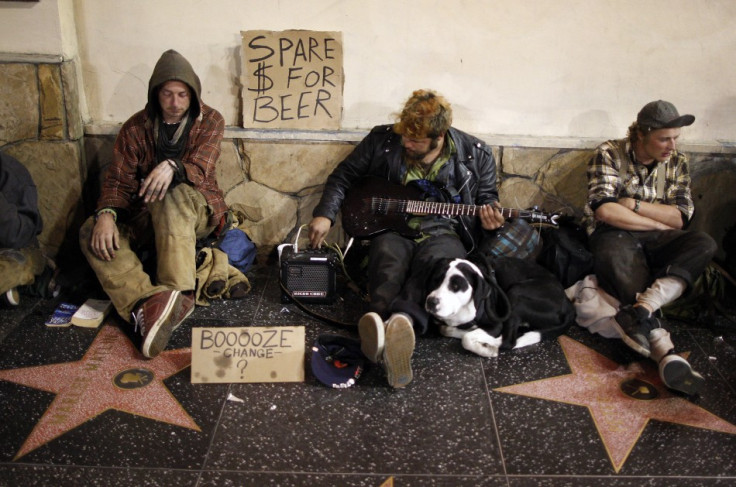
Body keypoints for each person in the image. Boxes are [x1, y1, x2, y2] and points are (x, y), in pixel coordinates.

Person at [309, 89, 509, 388]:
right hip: (389, 226)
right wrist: (325, 213)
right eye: (405, 135)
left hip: (444, 228)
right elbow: (344, 176)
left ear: (439, 136)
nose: (406, 142)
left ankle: (391, 325)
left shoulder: (475, 153)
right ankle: (389, 324)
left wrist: (492, 223)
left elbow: (486, 199)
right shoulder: (382, 140)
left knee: (438, 266)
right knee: (388, 259)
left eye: (415, 140)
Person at [79, 49, 228, 358]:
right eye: (167, 94)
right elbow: (119, 182)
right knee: (91, 229)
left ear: (193, 96)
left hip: (196, 207)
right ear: (155, 95)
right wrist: (106, 214)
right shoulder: (135, 127)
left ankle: (178, 293)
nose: (175, 103)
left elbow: (200, 168)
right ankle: (146, 303)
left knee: (169, 193)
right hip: (145, 210)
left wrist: (173, 166)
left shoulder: (210, 120)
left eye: (182, 95)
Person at [583, 100, 717, 395]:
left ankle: (643, 308)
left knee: (703, 242)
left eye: (675, 138)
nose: (672, 145)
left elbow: (680, 218)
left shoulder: (677, 162)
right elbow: (605, 212)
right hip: (614, 235)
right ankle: (664, 351)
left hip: (655, 236)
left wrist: (635, 204)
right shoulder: (609, 153)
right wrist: (657, 223)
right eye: (664, 138)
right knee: (621, 264)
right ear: (642, 134)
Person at [0, 152, 45, 307]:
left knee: (12, 265)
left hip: (16, 247)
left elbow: (13, 235)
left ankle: (37, 274)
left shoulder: (10, 171)